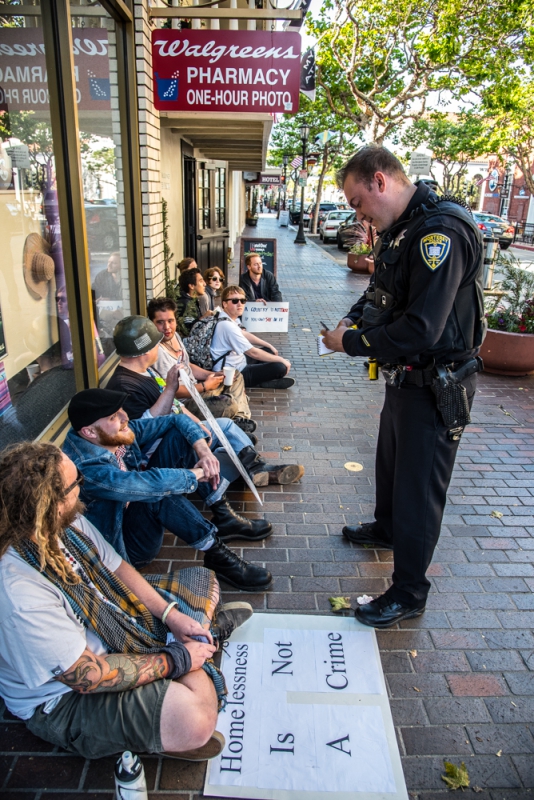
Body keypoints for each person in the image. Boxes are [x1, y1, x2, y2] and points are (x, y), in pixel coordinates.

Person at [0, 440, 255, 760]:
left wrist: (170, 615)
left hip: (112, 623)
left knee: (199, 583)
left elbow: (116, 567)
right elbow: (87, 676)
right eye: (75, 484)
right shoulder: (18, 592)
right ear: (50, 504)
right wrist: (177, 660)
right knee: (196, 719)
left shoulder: (60, 522)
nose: (82, 488)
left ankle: (190, 652)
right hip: (64, 699)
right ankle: (195, 660)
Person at [322, 145, 485, 629]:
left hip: (436, 382)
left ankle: (409, 590)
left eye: (356, 201)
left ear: (379, 181)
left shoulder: (440, 234)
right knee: (391, 464)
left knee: (418, 488)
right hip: (405, 378)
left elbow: (421, 327)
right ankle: (388, 529)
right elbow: (381, 294)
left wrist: (351, 342)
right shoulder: (402, 230)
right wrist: (351, 319)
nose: (356, 212)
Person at [63, 388, 274, 592]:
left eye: (121, 410)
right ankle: (217, 554)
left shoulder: (108, 434)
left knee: (179, 436)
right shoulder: (85, 468)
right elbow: (148, 485)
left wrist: (204, 453)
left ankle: (222, 514)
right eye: (113, 417)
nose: (124, 417)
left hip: (134, 514)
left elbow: (177, 419)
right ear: (89, 432)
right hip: (124, 550)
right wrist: (197, 473)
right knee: (157, 493)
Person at [105, 315, 304, 483]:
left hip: (178, 429)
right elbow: (142, 431)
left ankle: (256, 468)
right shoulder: (124, 385)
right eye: (156, 344)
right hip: (164, 448)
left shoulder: (145, 370)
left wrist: (198, 425)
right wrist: (171, 390)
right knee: (226, 440)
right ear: (146, 348)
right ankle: (249, 468)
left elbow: (175, 406)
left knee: (224, 426)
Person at [148, 297, 256, 436]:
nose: (167, 327)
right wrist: (205, 386)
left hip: (197, 389)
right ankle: (236, 421)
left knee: (235, 375)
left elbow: (187, 365)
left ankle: (239, 421)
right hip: (184, 404)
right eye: (160, 322)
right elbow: (170, 391)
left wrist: (210, 375)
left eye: (170, 321)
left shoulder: (174, 336)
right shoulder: (156, 352)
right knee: (229, 404)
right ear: (151, 323)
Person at [211, 286, 294, 390]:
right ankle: (260, 382)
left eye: (243, 300)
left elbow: (245, 334)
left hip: (239, 360)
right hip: (233, 373)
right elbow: (252, 352)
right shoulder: (227, 326)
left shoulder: (228, 318)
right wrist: (281, 360)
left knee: (269, 351)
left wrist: (268, 345)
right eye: (235, 301)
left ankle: (262, 378)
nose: (240, 304)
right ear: (224, 304)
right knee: (280, 367)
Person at [175, 269, 211, 337]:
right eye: (200, 281)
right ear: (191, 286)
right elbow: (188, 330)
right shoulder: (185, 304)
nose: (204, 284)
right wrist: (205, 317)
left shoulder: (190, 300)